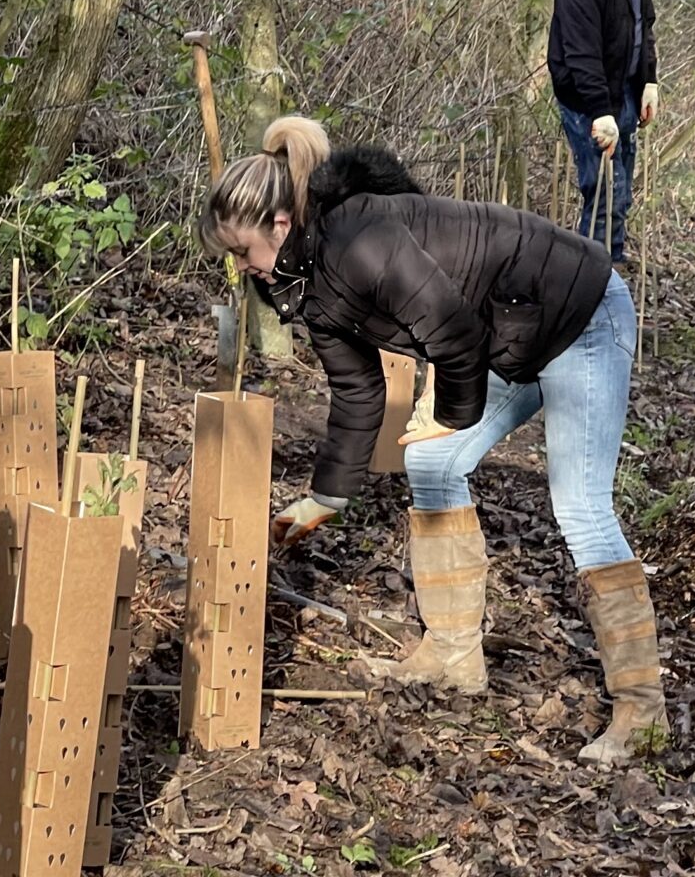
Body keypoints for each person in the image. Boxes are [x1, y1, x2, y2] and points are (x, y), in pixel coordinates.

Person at [199, 116, 667, 766]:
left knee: (580, 507)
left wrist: (451, 411)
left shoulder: (361, 242)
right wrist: (323, 499)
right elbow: (358, 392)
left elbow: (452, 335)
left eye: (243, 249)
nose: (241, 266)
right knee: (433, 461)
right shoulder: (307, 281)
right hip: (511, 328)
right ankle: (453, 655)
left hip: (576, 311)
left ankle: (641, 707)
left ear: (280, 225)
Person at [547, 0, 676, 265]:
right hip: (589, 101)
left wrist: (648, 80)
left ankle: (611, 267)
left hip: (626, 92)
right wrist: (599, 111)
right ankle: (591, 281)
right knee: (605, 194)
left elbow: (643, 25)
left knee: (622, 195)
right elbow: (580, 51)